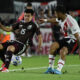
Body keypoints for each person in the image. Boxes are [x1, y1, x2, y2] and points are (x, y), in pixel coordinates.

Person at [40, 5, 80, 74]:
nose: (55, 14)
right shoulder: (61, 17)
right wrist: (45, 20)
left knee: (63, 51)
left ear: (60, 13)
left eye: (56, 13)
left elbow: (77, 36)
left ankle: (58, 70)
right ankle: (50, 68)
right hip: (66, 38)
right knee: (53, 46)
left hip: (74, 40)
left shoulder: (71, 22)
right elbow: (55, 20)